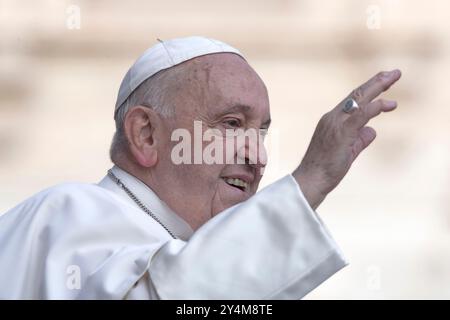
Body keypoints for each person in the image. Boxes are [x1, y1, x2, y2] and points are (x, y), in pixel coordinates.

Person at [0, 36, 401, 299]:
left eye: (261, 133)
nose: (258, 157)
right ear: (146, 135)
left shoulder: (194, 252)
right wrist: (309, 180)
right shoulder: (65, 215)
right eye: (230, 124)